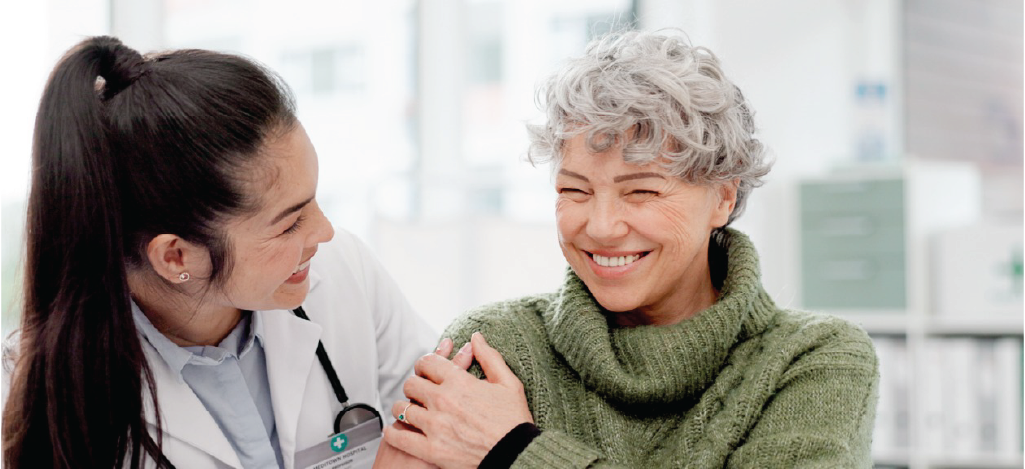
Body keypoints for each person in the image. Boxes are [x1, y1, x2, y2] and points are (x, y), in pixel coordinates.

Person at [380, 30, 879, 468]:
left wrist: (516, 451)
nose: (600, 227)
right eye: (574, 191)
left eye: (641, 191)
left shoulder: (814, 361)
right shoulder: (496, 348)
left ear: (723, 197)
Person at [0, 36, 438, 468]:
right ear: (176, 258)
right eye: (289, 224)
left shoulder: (345, 274)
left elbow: (452, 429)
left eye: (315, 202)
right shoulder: (31, 397)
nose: (323, 232)